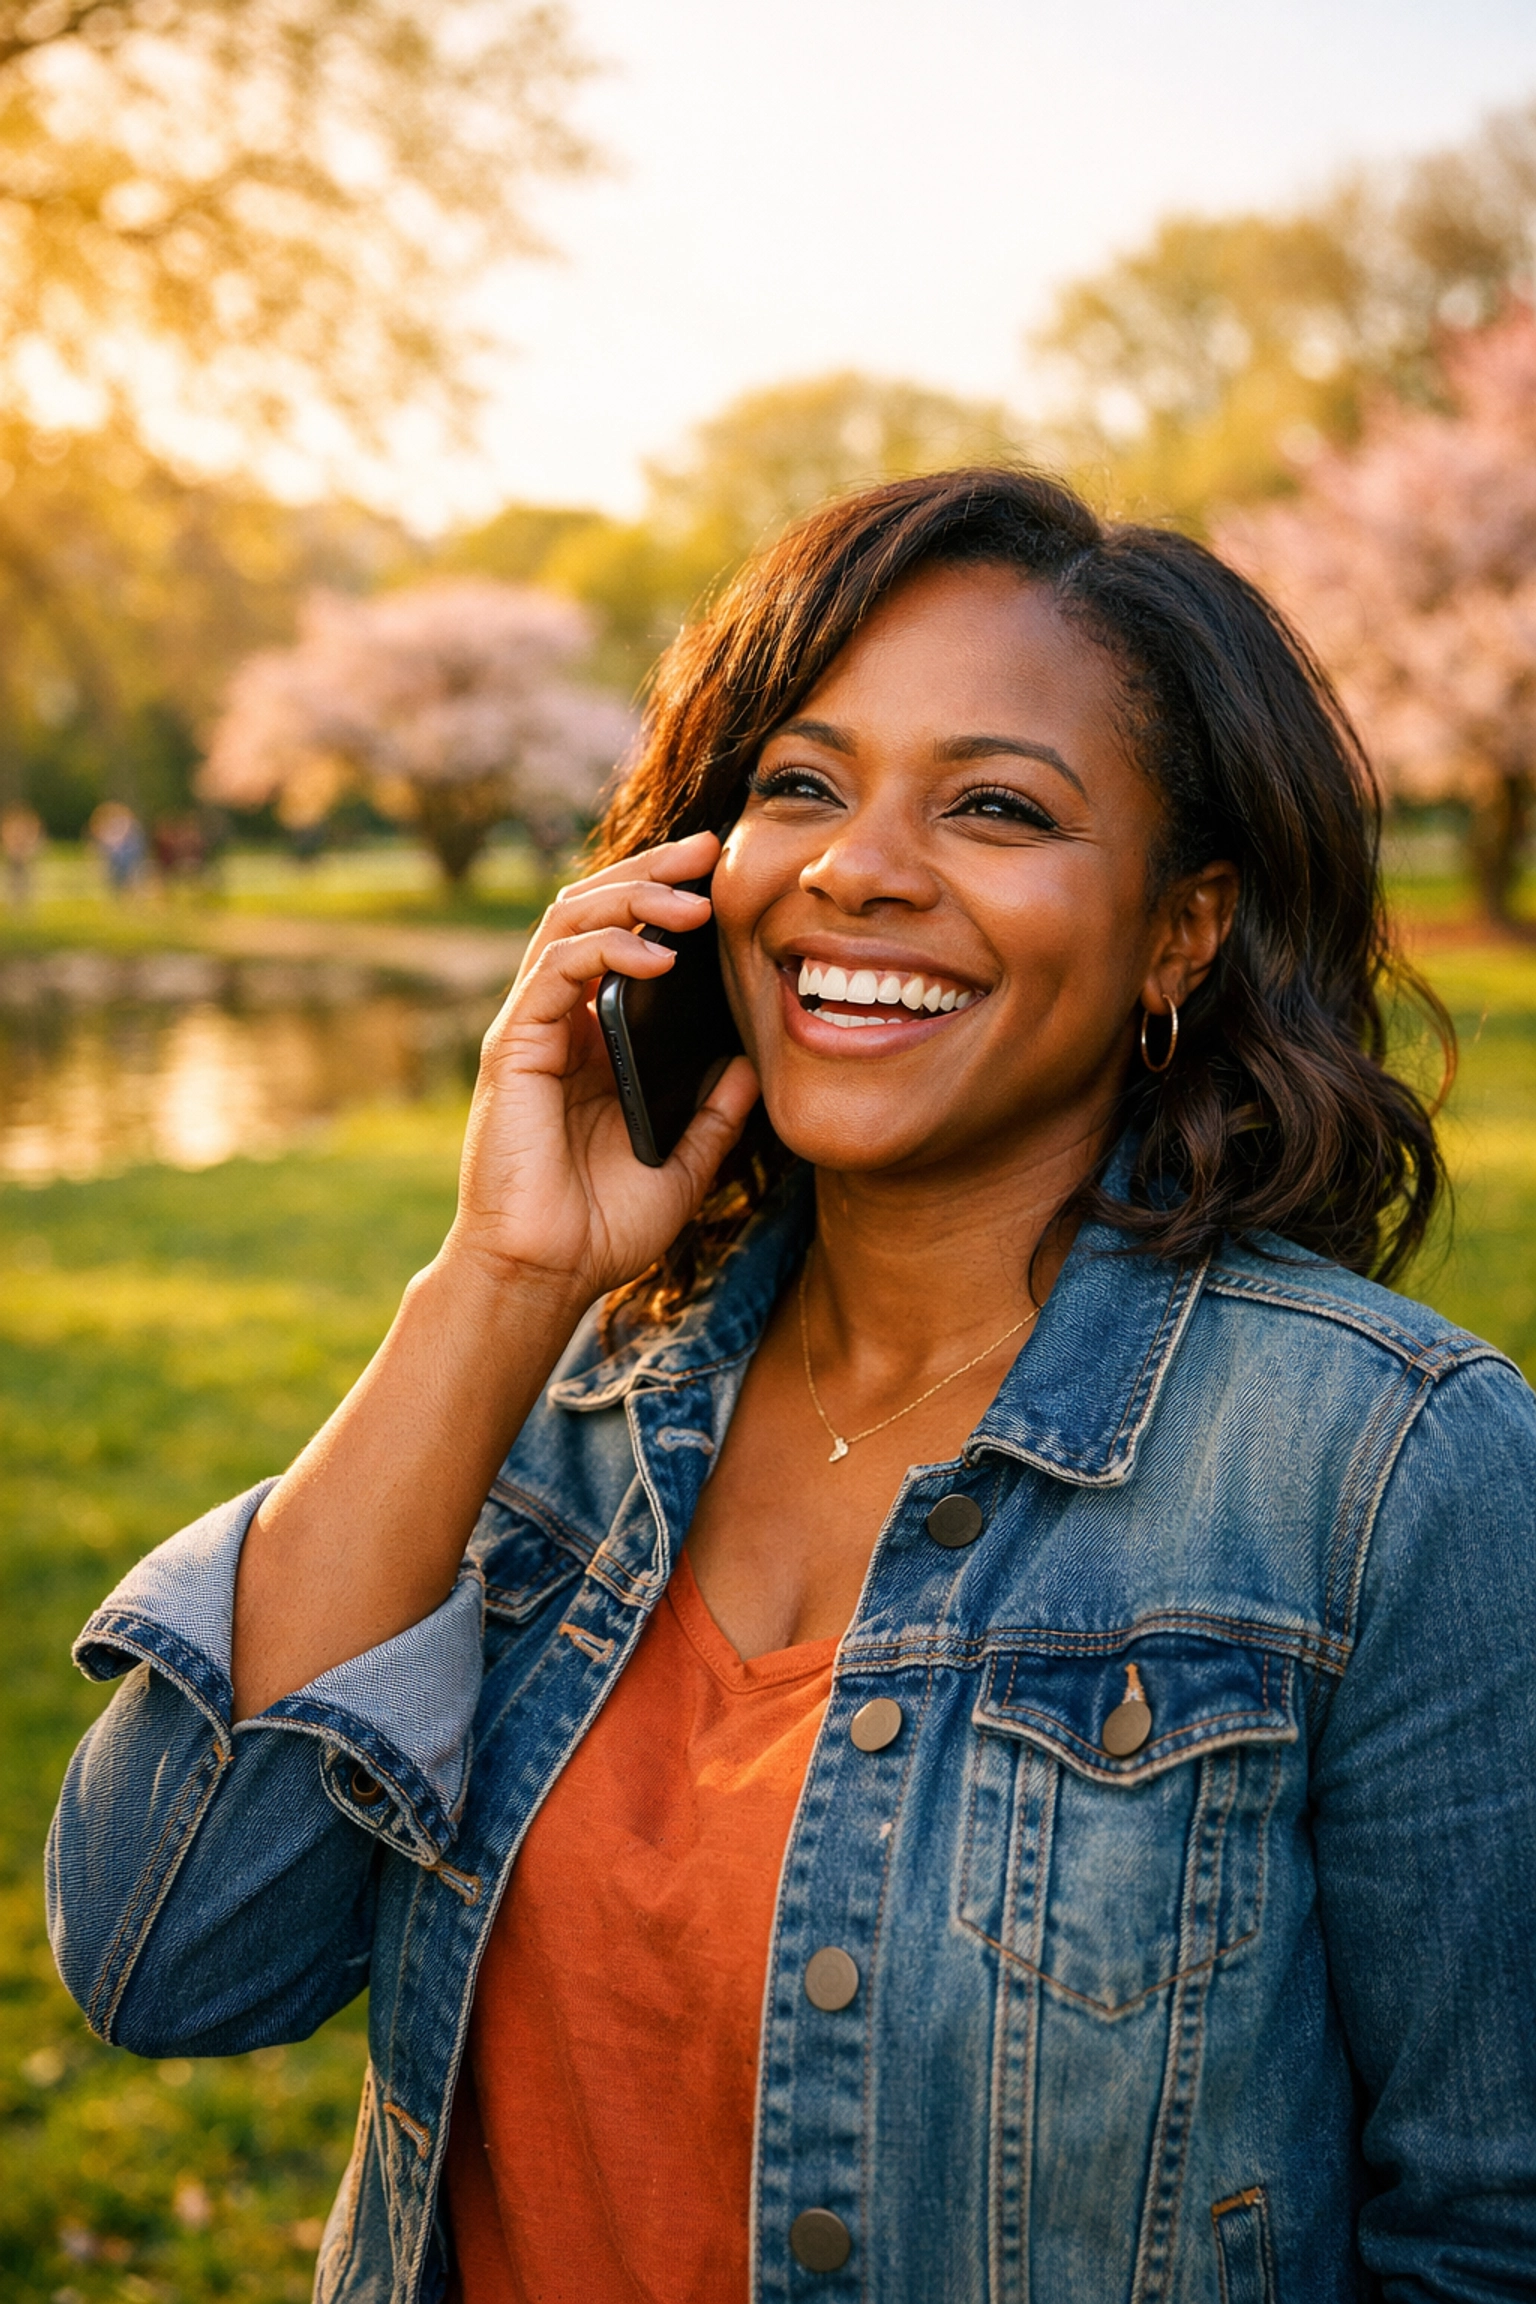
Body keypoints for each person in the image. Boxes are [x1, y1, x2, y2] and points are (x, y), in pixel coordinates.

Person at [48, 471, 1536, 2303]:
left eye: (996, 806)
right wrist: (498, 1287)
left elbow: (1491, 2235)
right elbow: (167, 1951)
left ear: (1182, 929)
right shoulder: (562, 1417)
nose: (859, 869)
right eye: (800, 785)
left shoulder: (1385, 1471)